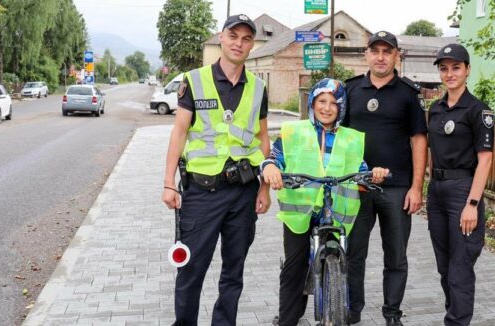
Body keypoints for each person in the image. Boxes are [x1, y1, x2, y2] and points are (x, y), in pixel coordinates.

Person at [160, 14, 272, 326]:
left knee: (233, 273)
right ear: (220, 38)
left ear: (252, 44)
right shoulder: (193, 81)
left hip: (244, 193)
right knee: (191, 271)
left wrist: (263, 188)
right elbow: (179, 132)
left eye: (246, 38)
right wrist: (168, 183)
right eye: (233, 36)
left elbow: (263, 139)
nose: (239, 43)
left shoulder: (259, 87)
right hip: (202, 193)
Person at [262, 78, 389, 326]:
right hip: (300, 211)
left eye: (334, 103)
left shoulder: (351, 139)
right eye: (322, 101)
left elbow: (360, 171)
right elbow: (274, 156)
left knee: (346, 260)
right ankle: (289, 318)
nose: (327, 108)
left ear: (341, 108)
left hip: (336, 211)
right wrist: (270, 168)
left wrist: (375, 174)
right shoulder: (294, 132)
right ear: (312, 103)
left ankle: (338, 305)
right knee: (295, 264)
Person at [343, 31, 428, 326]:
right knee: (354, 253)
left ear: (396, 56)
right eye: (375, 51)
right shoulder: (350, 90)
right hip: (358, 186)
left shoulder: (408, 93)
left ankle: (392, 313)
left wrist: (417, 187)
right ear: (366, 55)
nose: (380, 56)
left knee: (396, 257)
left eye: (387, 51)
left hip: (397, 188)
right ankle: (353, 309)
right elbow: (335, 136)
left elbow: (419, 140)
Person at [426, 43, 494, 326]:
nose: (450, 73)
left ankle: (456, 322)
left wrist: (473, 205)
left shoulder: (479, 111)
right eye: (444, 68)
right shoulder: (435, 109)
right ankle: (454, 315)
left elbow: (486, 160)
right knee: (445, 267)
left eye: (456, 67)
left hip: (463, 192)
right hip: (437, 193)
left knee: (460, 268)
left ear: (467, 70)